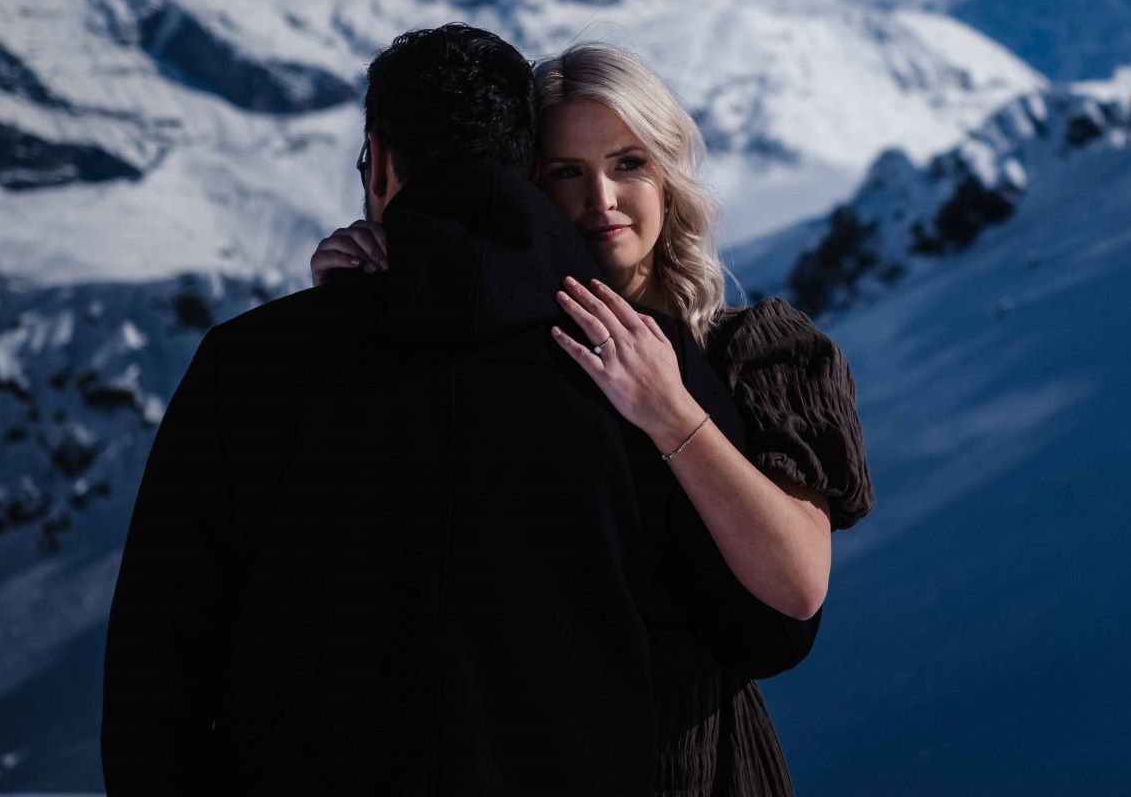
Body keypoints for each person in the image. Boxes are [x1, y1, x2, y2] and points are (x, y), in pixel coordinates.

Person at [102, 24, 783, 795]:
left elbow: (156, 678)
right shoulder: (639, 364)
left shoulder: (247, 366)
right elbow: (762, 627)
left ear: (383, 164)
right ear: (528, 171)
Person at [312, 41, 875, 796]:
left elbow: (797, 586)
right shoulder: (503, 356)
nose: (600, 200)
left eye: (627, 164)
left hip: (700, 768)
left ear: (670, 179)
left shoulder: (757, 352)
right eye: (566, 174)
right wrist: (363, 304)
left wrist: (670, 410)